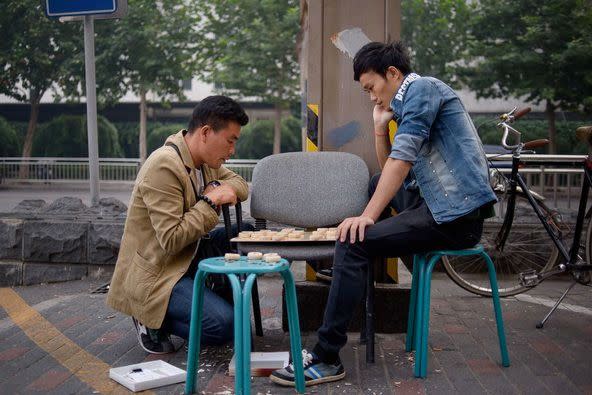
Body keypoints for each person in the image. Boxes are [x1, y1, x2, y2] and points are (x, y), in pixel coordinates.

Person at [270, 41, 496, 387]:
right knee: (378, 182)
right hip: (436, 205)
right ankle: (365, 265)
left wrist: (367, 218)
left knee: (354, 241)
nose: (372, 97)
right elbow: (389, 167)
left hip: (455, 217)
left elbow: (402, 161)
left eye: (371, 88)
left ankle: (327, 356)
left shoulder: (421, 90)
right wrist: (379, 126)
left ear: (392, 73)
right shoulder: (407, 102)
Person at [107, 95, 253, 354]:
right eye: (230, 141)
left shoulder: (204, 162)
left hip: (190, 255)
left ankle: (211, 298)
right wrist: (209, 201)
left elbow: (240, 185)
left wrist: (218, 187)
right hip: (161, 272)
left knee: (246, 236)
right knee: (224, 326)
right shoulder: (164, 165)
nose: (232, 151)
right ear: (206, 133)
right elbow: (171, 239)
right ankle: (149, 316)